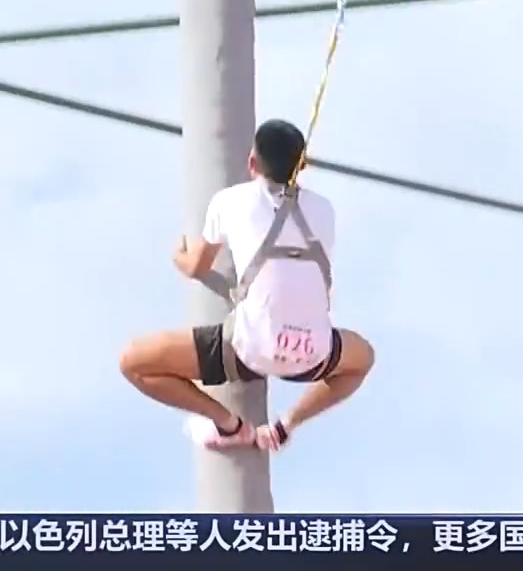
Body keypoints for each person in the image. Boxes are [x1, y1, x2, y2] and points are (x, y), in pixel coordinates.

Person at [119, 119, 375, 452]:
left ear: (252, 162)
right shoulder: (325, 210)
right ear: (303, 165)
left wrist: (177, 256)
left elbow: (197, 266)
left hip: (247, 350)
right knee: (363, 359)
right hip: (312, 353)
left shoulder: (229, 201)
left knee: (134, 362)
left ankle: (228, 425)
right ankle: (286, 424)